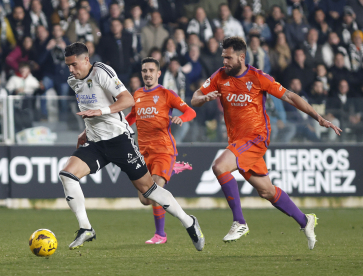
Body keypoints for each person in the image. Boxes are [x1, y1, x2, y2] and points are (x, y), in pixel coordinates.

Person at [190, 36, 341, 249]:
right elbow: (194, 97)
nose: (224, 61)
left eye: (228, 57)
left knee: (219, 166)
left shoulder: (258, 77)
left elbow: (289, 96)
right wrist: (204, 98)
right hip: (238, 141)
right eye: (223, 57)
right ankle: (305, 220)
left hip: (256, 138)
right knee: (267, 191)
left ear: (242, 57)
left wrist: (319, 118)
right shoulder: (219, 76)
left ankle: (239, 222)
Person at [61, 42, 204, 251]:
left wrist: (101, 112)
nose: (71, 70)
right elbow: (89, 108)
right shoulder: (73, 81)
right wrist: (86, 131)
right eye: (68, 66)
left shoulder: (102, 72)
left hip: (119, 140)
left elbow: (127, 100)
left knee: (149, 192)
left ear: (86, 60)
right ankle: (85, 228)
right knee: (67, 174)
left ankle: (188, 221)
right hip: (95, 143)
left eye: (74, 64)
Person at [124, 57, 196, 244]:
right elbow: (132, 116)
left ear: (158, 73)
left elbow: (190, 111)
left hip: (164, 150)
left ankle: (160, 235)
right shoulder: (137, 94)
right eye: (144, 71)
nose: (147, 74)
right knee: (145, 199)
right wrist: (120, 126)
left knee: (155, 191)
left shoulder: (166, 94)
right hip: (143, 152)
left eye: (150, 70)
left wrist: (182, 119)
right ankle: (173, 168)